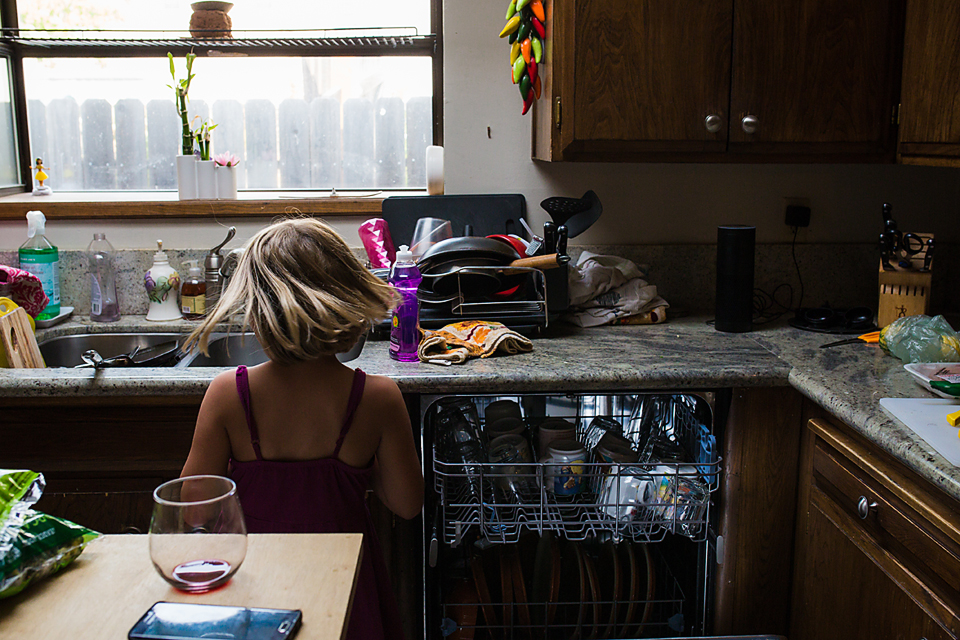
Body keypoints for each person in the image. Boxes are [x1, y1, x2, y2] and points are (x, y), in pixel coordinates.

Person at [180, 216, 423, 640]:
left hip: (255, 593)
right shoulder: (377, 398)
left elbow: (195, 509)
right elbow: (406, 504)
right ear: (346, 300)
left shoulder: (228, 394)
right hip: (346, 585)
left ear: (257, 309)